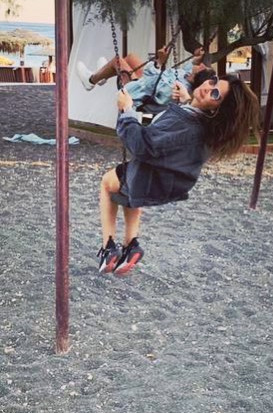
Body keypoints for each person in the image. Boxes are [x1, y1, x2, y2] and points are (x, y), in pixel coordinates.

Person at [97, 72, 261, 276]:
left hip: (150, 177)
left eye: (215, 94)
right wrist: (186, 99)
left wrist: (127, 110)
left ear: (217, 109)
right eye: (213, 82)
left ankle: (108, 247)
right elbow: (189, 123)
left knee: (108, 183)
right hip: (168, 180)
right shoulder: (208, 128)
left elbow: (141, 145)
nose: (208, 88)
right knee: (127, 188)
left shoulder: (185, 124)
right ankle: (131, 244)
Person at [76, 46, 209, 111]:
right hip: (147, 85)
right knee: (131, 57)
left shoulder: (176, 89)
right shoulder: (187, 77)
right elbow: (186, 69)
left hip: (139, 95)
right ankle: (102, 75)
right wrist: (196, 59)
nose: (202, 65)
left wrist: (160, 62)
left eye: (203, 68)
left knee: (117, 61)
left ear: (195, 77)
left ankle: (90, 80)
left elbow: (152, 83)